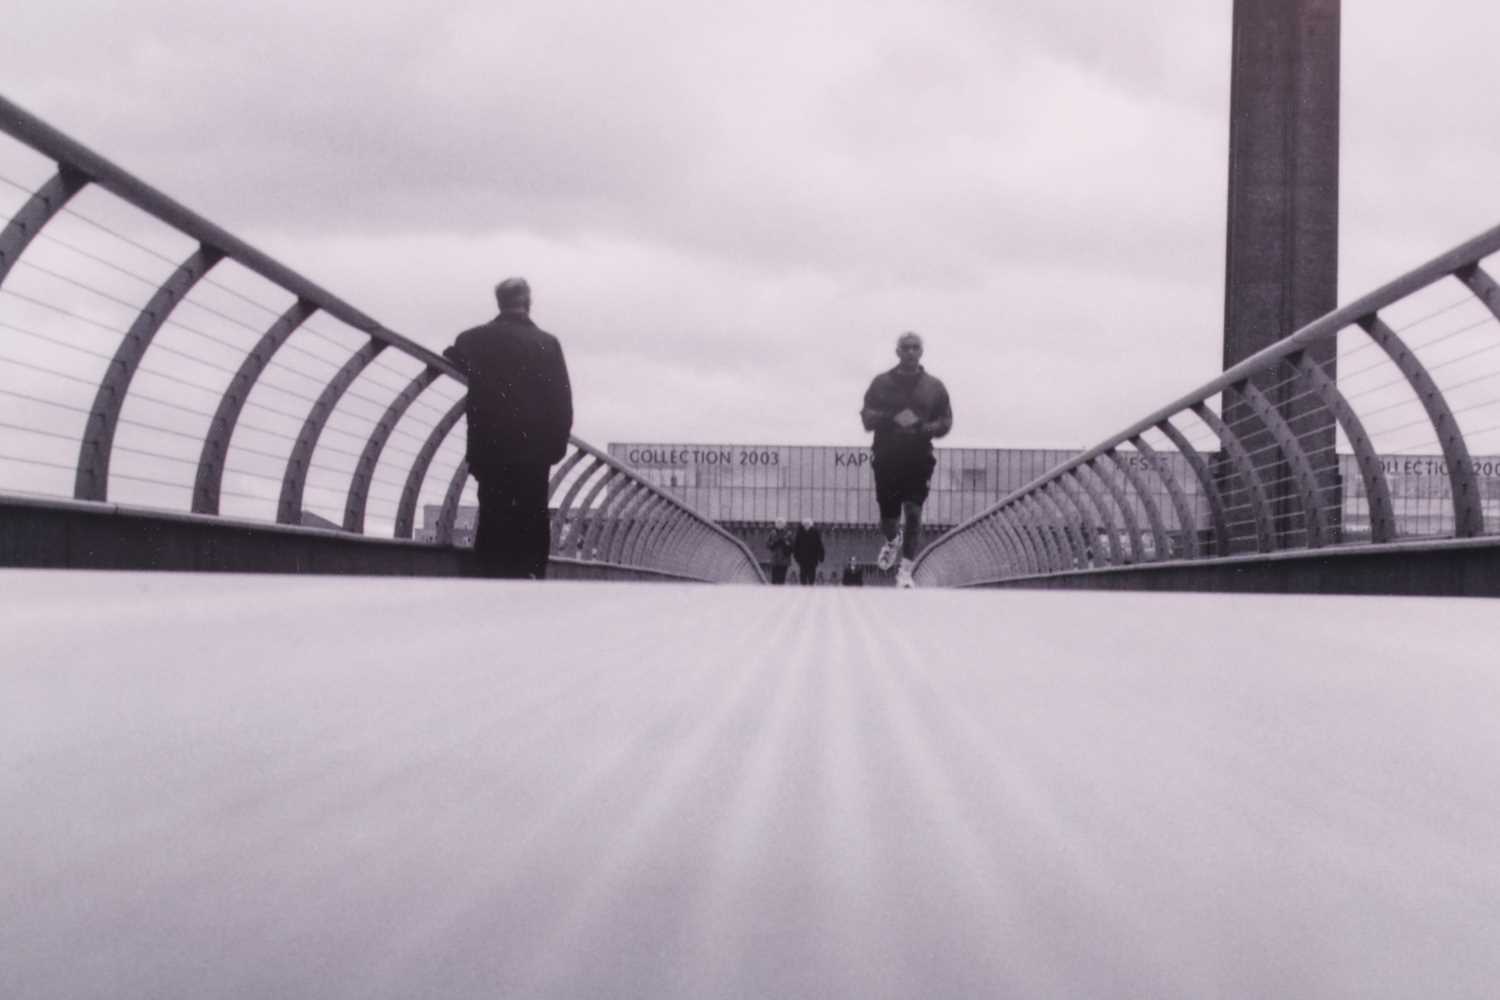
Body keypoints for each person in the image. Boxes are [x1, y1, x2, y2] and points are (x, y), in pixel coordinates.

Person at [443, 277, 573, 579]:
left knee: (492, 513)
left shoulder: (473, 338)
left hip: (489, 447)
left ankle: (491, 582)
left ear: (498, 302)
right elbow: (562, 400)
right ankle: (531, 579)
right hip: (535, 450)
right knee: (533, 515)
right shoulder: (548, 343)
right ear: (528, 301)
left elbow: (454, 355)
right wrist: (556, 447)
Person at [860, 331, 952, 588]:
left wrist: (925, 427)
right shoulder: (881, 383)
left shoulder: (934, 387)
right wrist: (891, 418)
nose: (911, 352)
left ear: (921, 351)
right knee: (889, 517)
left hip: (918, 457)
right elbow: (867, 418)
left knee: (913, 511)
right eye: (906, 347)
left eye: (915, 347)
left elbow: (946, 421)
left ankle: (905, 572)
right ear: (897, 352)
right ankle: (892, 540)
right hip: (887, 457)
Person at [793, 517, 825, 586]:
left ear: (810, 525)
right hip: (802, 559)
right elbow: (796, 546)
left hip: (813, 558)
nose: (806, 526)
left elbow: (819, 545)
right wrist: (796, 557)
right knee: (803, 574)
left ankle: (811, 587)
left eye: (808, 524)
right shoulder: (800, 533)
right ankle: (803, 588)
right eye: (805, 524)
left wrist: (821, 556)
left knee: (812, 574)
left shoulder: (815, 533)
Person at [766, 517, 795, 584]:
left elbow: (793, 546)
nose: (779, 524)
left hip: (784, 559)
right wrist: (774, 543)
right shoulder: (772, 533)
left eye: (781, 523)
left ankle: (780, 592)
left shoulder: (788, 533)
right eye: (778, 523)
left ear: (784, 524)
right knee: (774, 578)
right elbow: (767, 544)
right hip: (775, 559)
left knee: (781, 579)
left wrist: (786, 543)